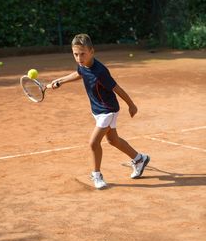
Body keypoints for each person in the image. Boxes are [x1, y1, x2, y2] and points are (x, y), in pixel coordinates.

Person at [50, 34, 150, 189]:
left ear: (92, 52)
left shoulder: (100, 71)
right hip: (97, 109)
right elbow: (79, 73)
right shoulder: (83, 65)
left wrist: (131, 104)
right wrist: (60, 81)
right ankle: (139, 159)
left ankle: (96, 174)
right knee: (113, 140)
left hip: (108, 110)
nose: (79, 58)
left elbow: (117, 88)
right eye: (75, 54)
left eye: (82, 54)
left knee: (93, 143)